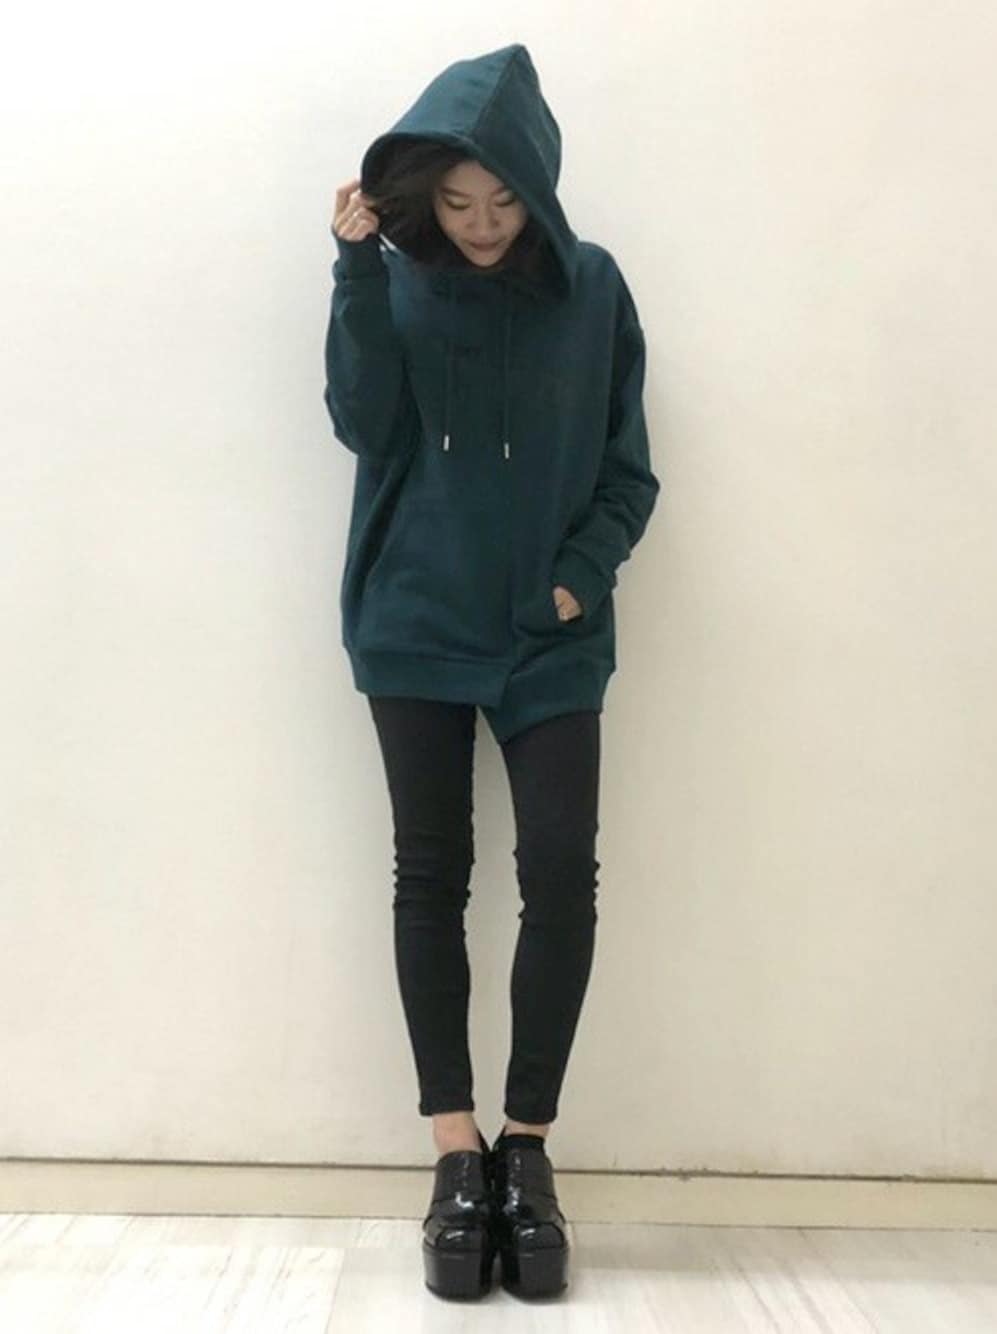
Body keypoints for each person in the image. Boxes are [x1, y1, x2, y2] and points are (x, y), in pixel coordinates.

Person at [324, 42, 659, 1301]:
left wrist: (576, 577)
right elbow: (363, 425)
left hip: (546, 634)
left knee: (561, 874)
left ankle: (528, 1146)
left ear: (538, 186)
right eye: (456, 201)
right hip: (413, 617)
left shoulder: (594, 287)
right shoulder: (395, 279)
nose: (476, 223)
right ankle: (453, 1151)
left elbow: (628, 470)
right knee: (432, 875)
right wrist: (355, 270)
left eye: (502, 200)